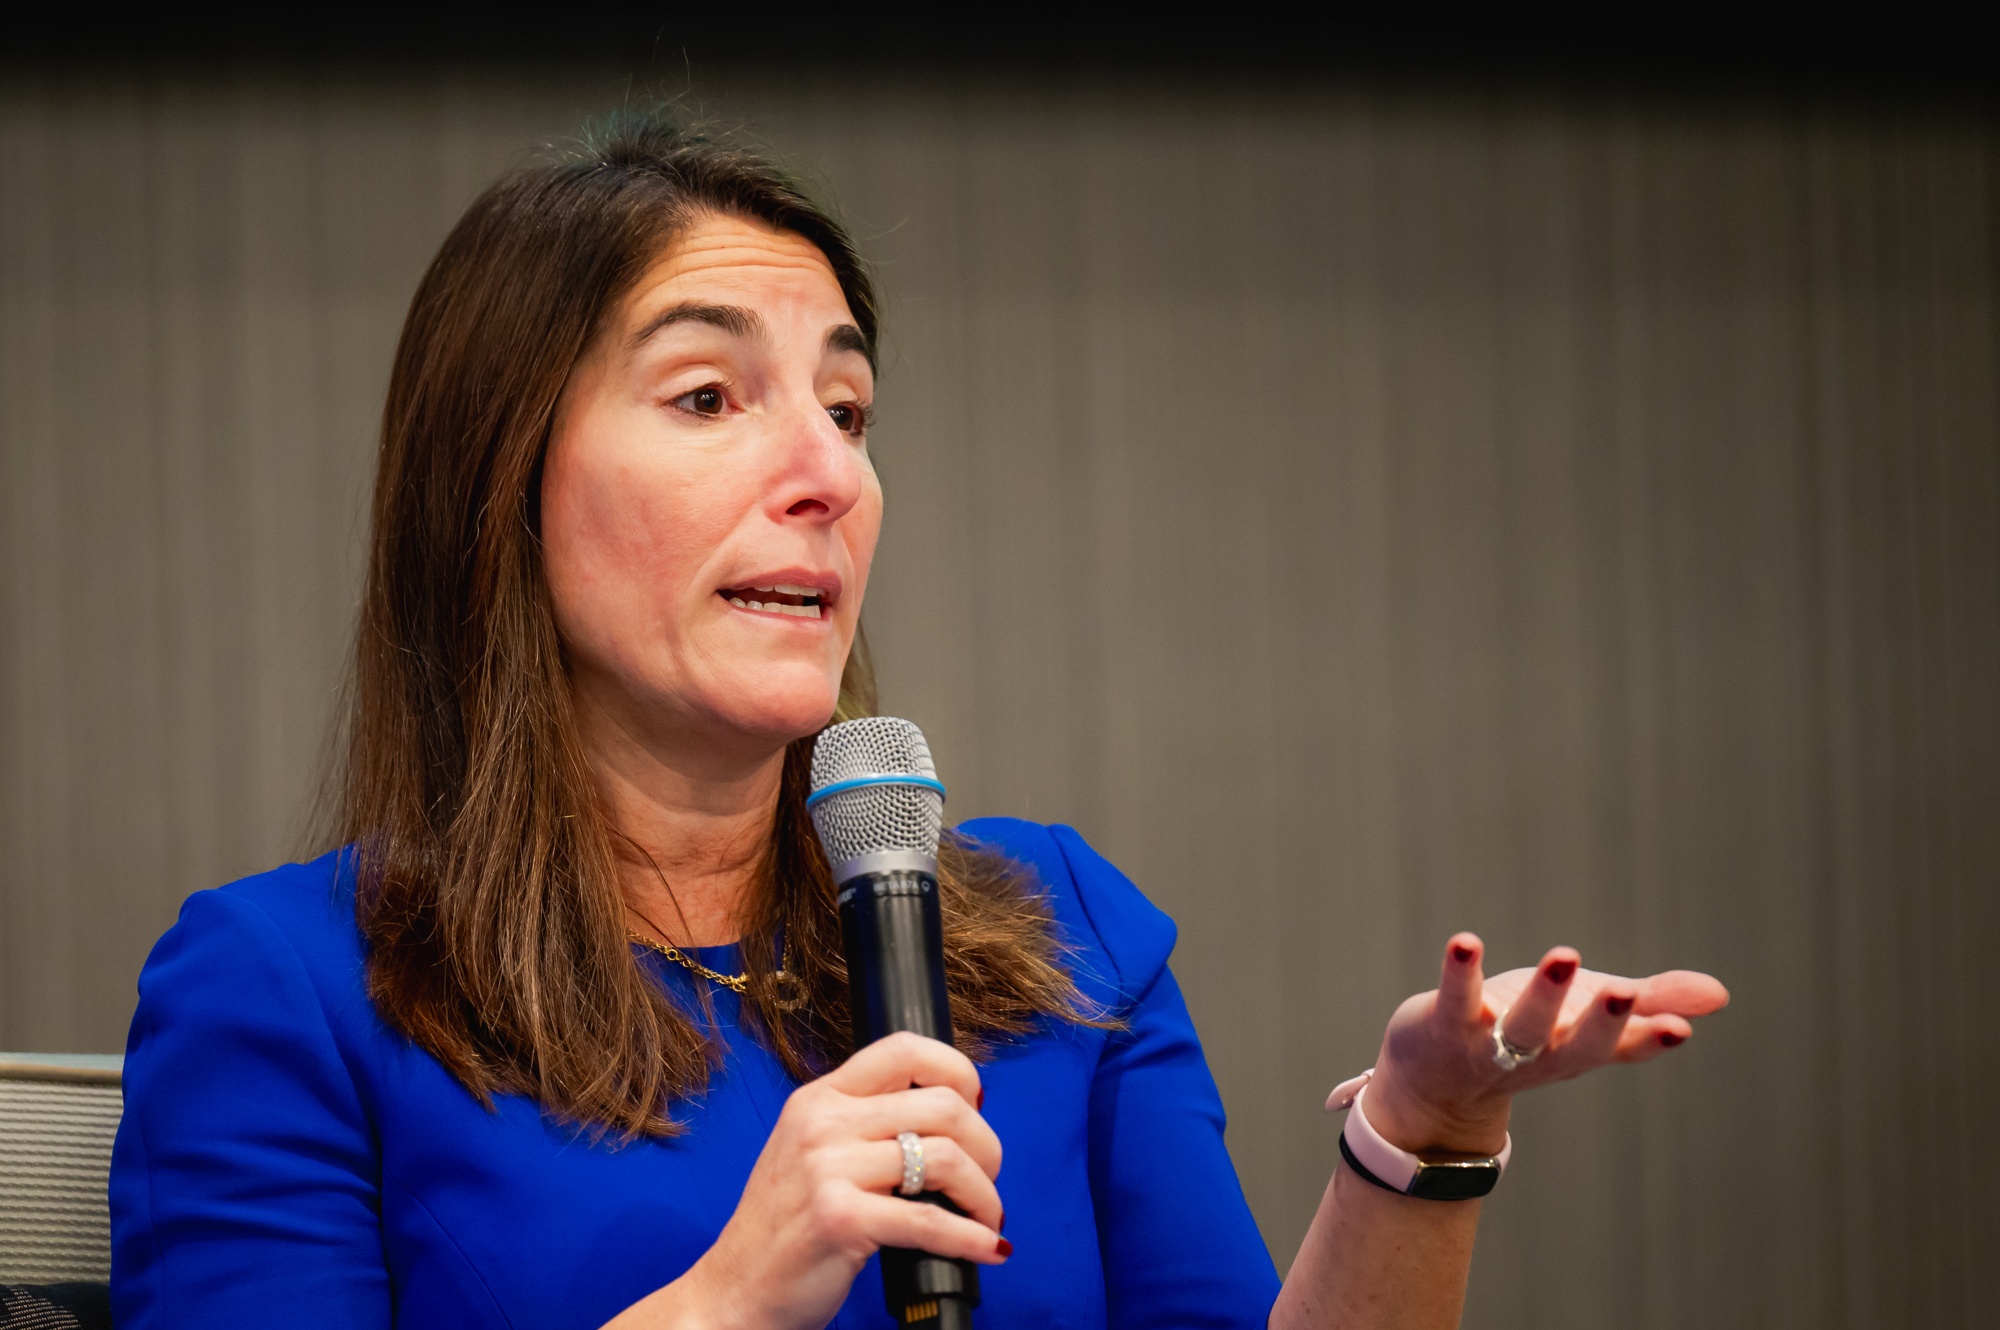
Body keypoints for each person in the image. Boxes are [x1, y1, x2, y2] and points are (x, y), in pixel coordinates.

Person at [108, 114, 1728, 1330]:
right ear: (497, 484)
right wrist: (729, 1300)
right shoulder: (288, 992)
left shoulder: (1061, 932)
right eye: (709, 396)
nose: (828, 470)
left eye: (849, 407)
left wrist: (1418, 1136)